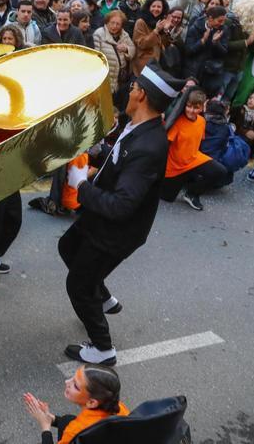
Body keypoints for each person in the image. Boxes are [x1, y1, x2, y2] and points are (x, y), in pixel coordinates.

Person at [59, 62, 181, 365]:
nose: (128, 90)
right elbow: (119, 164)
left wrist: (82, 186)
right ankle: (101, 294)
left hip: (116, 231)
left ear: (141, 95)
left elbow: (122, 205)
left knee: (78, 285)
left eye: (133, 86)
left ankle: (102, 348)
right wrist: (97, 170)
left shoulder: (148, 146)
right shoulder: (139, 127)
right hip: (100, 219)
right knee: (68, 247)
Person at [23, 364, 130, 444]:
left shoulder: (75, 431)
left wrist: (45, 426)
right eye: (72, 378)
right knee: (66, 420)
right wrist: (51, 419)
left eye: (75, 385)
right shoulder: (120, 408)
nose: (66, 382)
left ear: (92, 402)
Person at [161, 89, 228, 210]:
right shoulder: (177, 122)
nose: (191, 110)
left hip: (193, 160)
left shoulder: (202, 121)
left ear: (202, 108)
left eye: (196, 108)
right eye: (189, 106)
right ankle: (177, 182)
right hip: (174, 166)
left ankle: (192, 193)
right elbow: (165, 146)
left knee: (221, 171)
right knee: (167, 198)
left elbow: (198, 143)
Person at [94, 10, 135, 110]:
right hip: (104, 79)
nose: (114, 26)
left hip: (119, 80)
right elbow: (96, 55)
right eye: (112, 23)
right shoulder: (99, 34)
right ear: (107, 22)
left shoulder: (124, 35)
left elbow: (133, 49)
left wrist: (126, 49)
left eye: (118, 24)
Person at [183, 6, 229, 97]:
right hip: (194, 71)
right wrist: (202, 41)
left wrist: (215, 43)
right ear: (210, 19)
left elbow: (224, 52)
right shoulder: (195, 28)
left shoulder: (223, 30)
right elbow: (188, 51)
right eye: (219, 21)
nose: (222, 24)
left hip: (210, 73)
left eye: (224, 21)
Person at [131, 0, 172, 77]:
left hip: (156, 63)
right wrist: (156, 31)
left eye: (159, 7)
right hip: (142, 64)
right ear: (148, 7)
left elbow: (165, 45)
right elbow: (142, 44)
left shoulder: (160, 22)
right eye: (153, 6)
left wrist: (165, 30)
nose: (156, 9)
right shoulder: (141, 22)